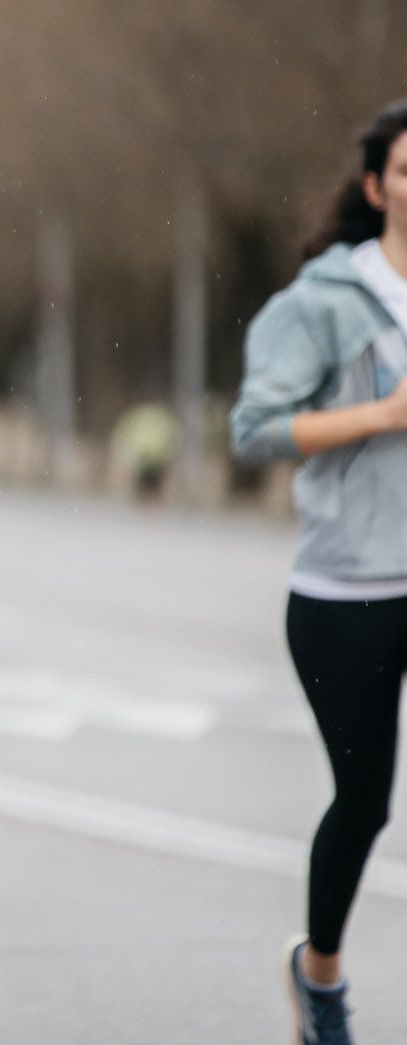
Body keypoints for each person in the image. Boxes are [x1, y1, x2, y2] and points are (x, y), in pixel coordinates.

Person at [232, 99, 407, 1045]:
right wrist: (379, 416)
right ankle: (321, 974)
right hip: (350, 592)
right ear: (379, 186)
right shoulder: (322, 304)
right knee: (367, 799)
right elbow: (253, 429)